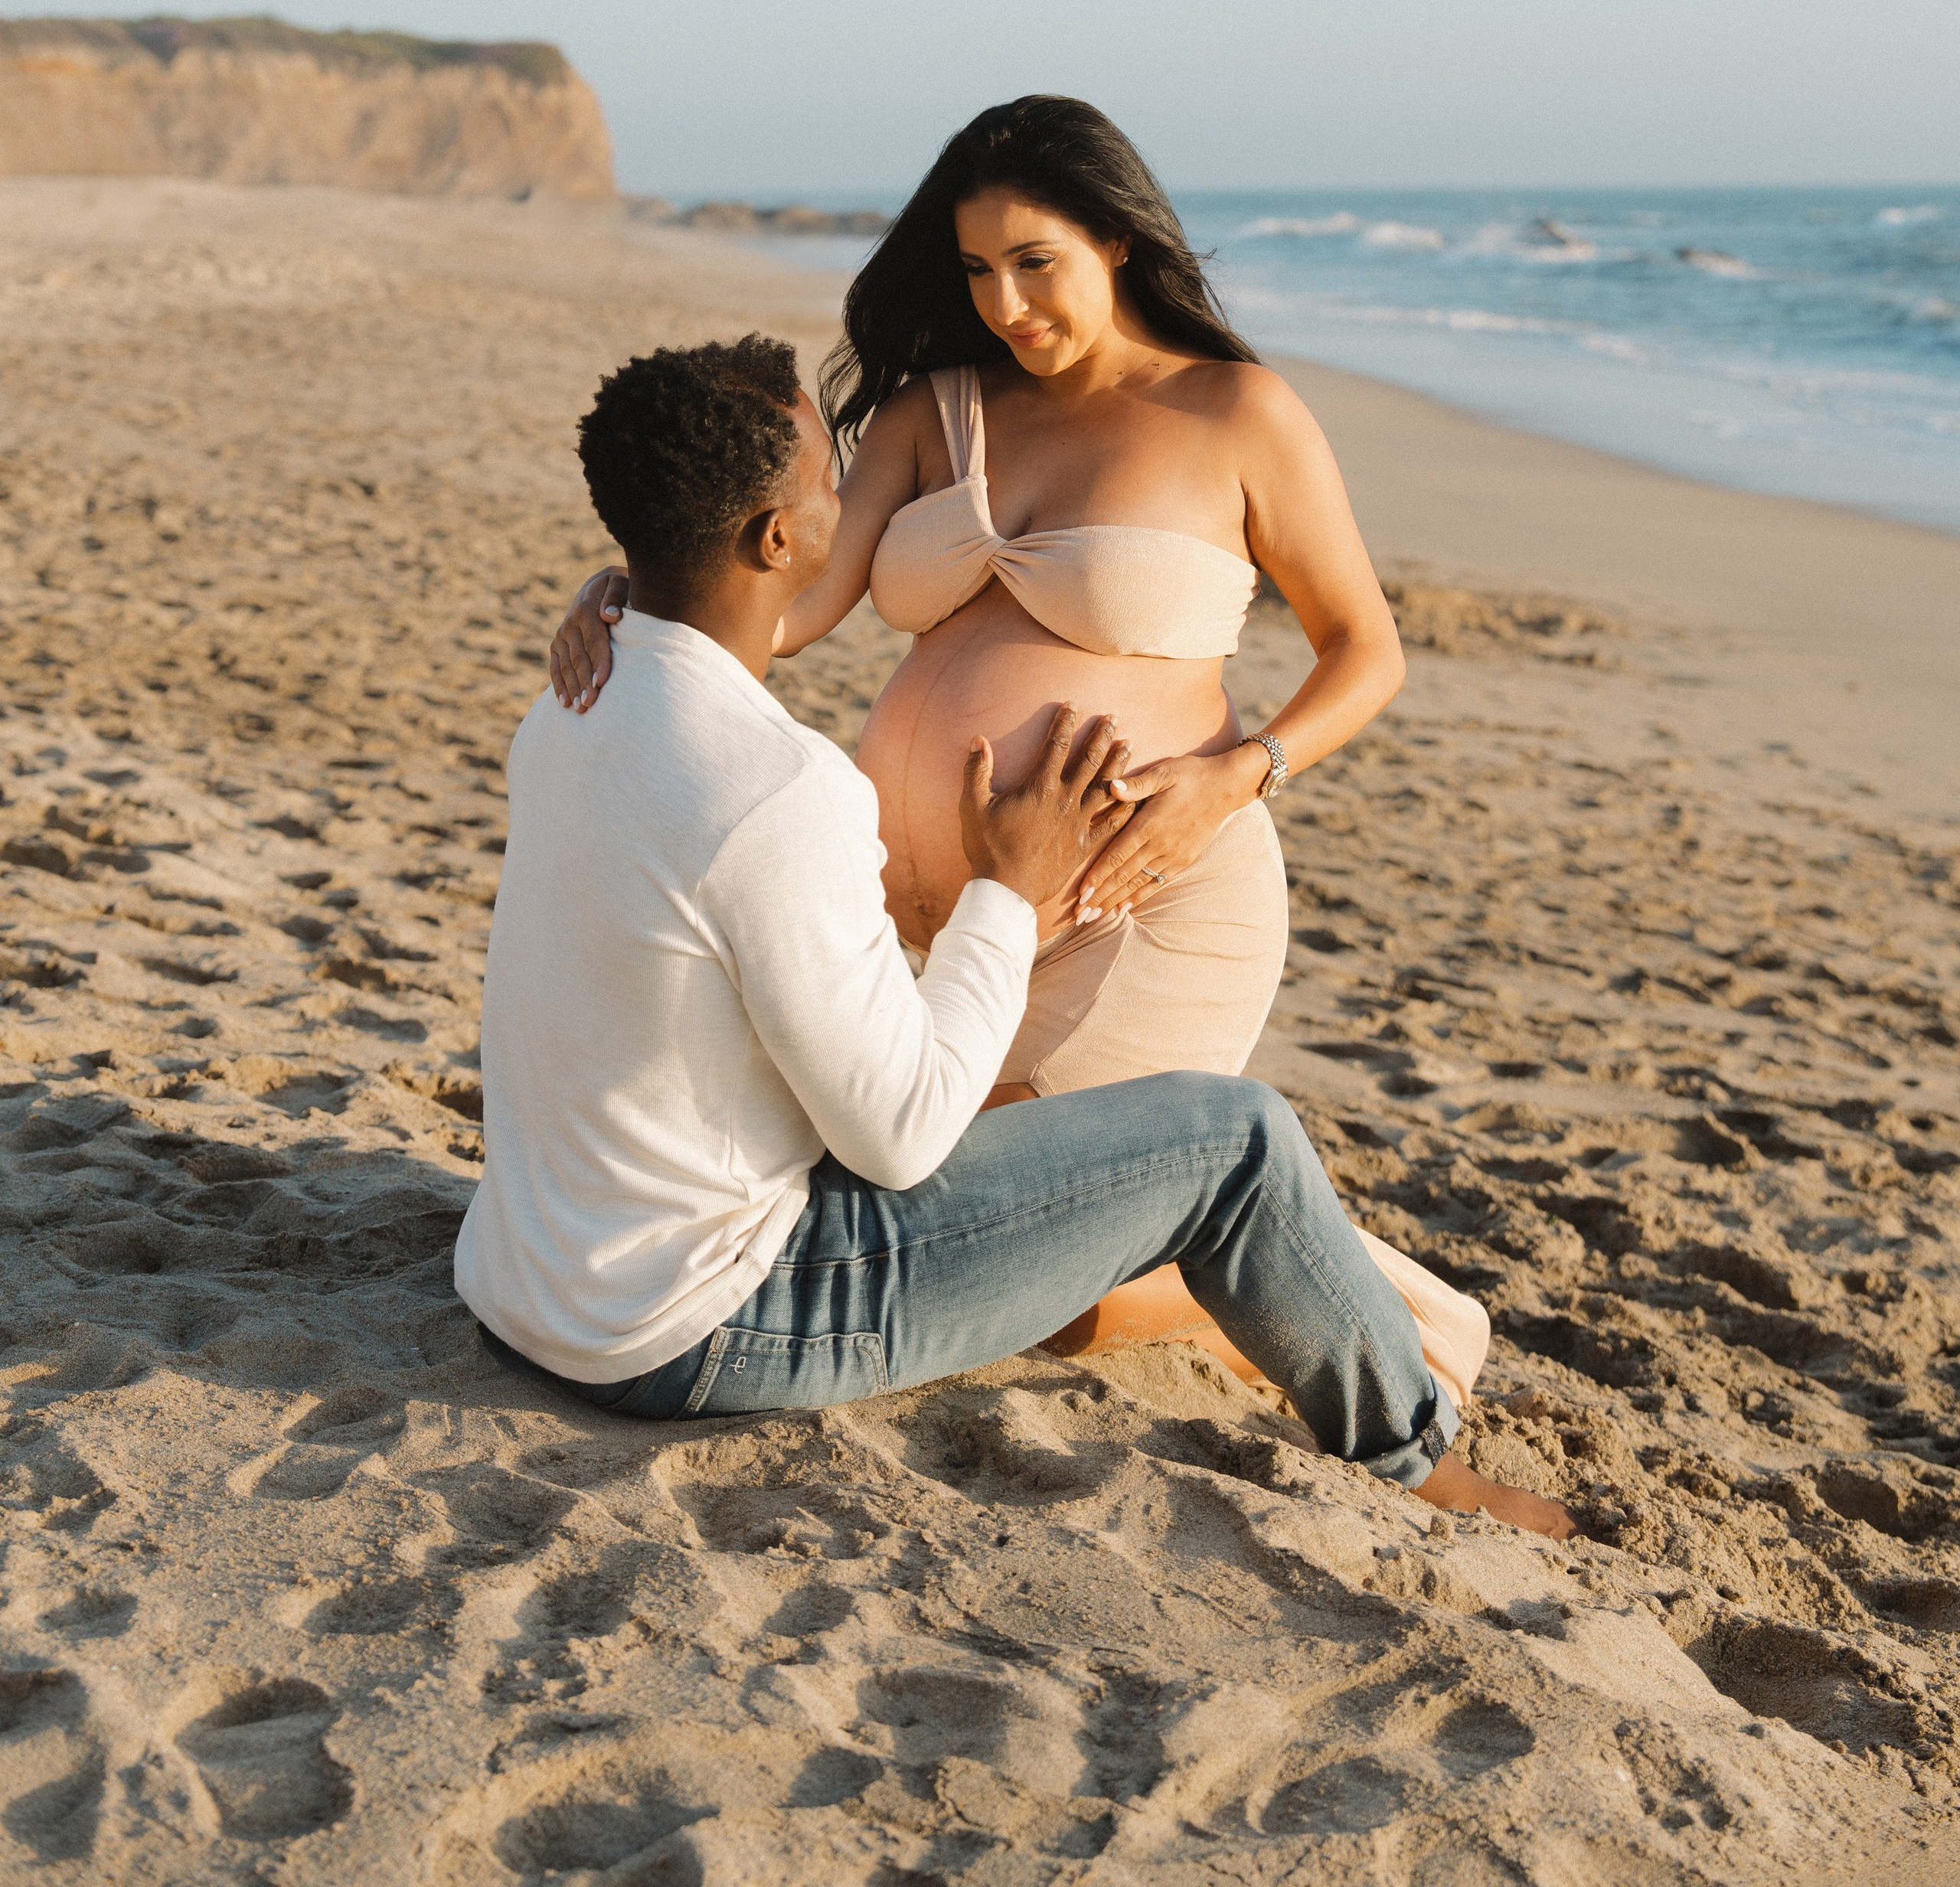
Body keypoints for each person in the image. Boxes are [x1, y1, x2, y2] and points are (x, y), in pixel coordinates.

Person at [463, 335, 1568, 1539]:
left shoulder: (576, 702)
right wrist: (1009, 890)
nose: (852, 494)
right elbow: (896, 1141)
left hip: (529, 1286)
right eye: (826, 480)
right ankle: (1421, 1462)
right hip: (701, 1327)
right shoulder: (775, 787)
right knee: (1236, 1138)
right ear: (778, 541)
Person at [550, 97, 1488, 1412]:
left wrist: (1239, 775)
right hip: (941, 918)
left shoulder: (1238, 414)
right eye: (978, 271)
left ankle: (1403, 1322)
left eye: (1034, 263)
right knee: (958, 1212)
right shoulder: (938, 410)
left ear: (1114, 238)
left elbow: (1365, 652)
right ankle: (1261, 1258)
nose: (1004, 305)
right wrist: (631, 582)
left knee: (1048, 1273)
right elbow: (787, 600)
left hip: (1143, 897)